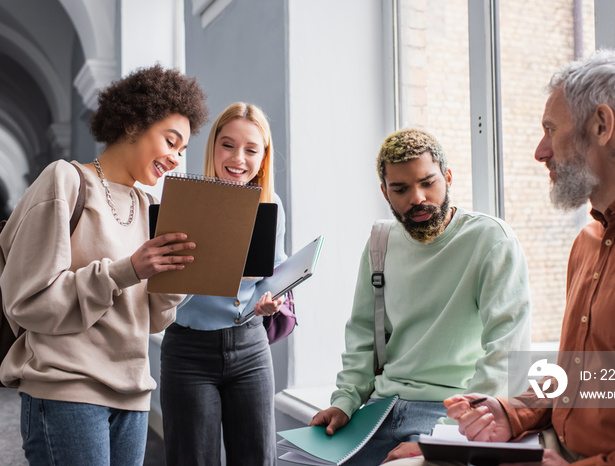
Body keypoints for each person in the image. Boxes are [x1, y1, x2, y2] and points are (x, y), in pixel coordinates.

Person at [389, 50, 615, 466]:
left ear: (602, 125)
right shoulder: (589, 240)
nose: (540, 151)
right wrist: (512, 412)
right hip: (553, 448)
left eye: (551, 130)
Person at [0, 64, 208, 465]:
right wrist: (126, 270)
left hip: (134, 393)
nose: (177, 159)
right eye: (171, 141)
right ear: (133, 123)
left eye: (183, 150)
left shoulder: (150, 209)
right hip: (66, 389)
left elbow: (150, 321)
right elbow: (27, 302)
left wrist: (179, 277)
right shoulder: (65, 181)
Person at [310, 128, 532, 464]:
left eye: (428, 182)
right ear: (385, 192)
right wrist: (344, 401)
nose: (417, 198)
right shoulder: (380, 243)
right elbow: (362, 335)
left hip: (445, 412)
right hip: (379, 409)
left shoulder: (491, 242)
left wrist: (447, 437)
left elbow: (505, 356)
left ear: (448, 177)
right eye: (401, 188)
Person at [160, 102, 289, 466]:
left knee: (257, 458)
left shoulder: (270, 204)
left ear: (263, 158)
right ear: (213, 147)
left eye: (251, 150)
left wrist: (270, 299)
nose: (238, 158)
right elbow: (162, 283)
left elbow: (273, 271)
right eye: (228, 145)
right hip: (189, 349)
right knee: (192, 459)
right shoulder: (184, 199)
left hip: (250, 345)